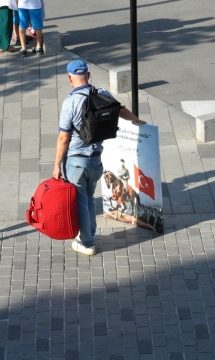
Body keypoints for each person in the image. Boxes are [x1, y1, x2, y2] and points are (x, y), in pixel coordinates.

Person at [52, 60, 146, 256]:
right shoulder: (102, 93)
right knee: (89, 200)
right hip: (96, 160)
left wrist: (56, 166)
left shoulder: (70, 102)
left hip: (76, 162)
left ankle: (87, 243)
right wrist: (135, 119)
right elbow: (120, 110)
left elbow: (63, 137)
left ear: (70, 78)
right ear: (89, 75)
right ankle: (90, 234)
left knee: (80, 202)